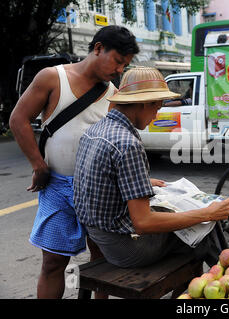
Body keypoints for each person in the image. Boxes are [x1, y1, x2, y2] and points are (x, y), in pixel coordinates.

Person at [8, 26, 139, 299]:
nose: (119, 70)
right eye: (117, 61)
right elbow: (17, 119)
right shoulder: (53, 77)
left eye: (124, 65)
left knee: (102, 261)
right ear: (99, 48)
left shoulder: (113, 93)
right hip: (57, 187)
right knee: (54, 263)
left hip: (100, 191)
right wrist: (38, 164)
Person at [73, 66, 229, 269]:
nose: (156, 115)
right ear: (143, 104)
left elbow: (97, 180)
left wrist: (140, 181)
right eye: (157, 108)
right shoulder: (127, 143)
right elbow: (143, 223)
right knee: (205, 226)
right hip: (127, 248)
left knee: (186, 213)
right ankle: (227, 276)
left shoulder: (96, 129)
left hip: (101, 237)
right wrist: (208, 214)